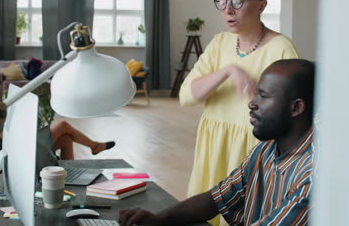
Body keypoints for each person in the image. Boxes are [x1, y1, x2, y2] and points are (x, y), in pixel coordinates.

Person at [120, 59, 315, 226]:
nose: (252, 103)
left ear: (296, 107)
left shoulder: (313, 175)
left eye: (263, 96)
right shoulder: (265, 149)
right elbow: (216, 198)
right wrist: (159, 219)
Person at [179, 0, 299, 225]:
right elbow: (187, 96)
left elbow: (291, 115)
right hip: (214, 143)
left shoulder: (281, 48)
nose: (227, 10)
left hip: (251, 149)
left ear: (262, 5)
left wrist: (255, 94)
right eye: (222, 0)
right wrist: (229, 70)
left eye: (237, 0)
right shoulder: (219, 43)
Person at [0, 78, 115, 160]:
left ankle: (69, 177)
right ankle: (95, 146)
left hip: (12, 147)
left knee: (66, 140)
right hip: (10, 153)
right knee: (63, 125)